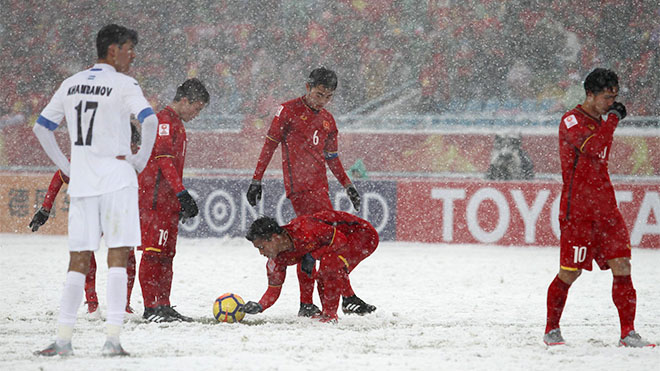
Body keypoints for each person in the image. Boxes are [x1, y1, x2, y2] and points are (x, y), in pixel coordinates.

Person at [32, 24, 158, 357]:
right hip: (118, 178)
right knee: (118, 255)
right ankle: (112, 340)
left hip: (84, 182)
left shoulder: (70, 84)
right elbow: (149, 119)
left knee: (78, 259)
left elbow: (42, 127)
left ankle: (63, 339)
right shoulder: (123, 83)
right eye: (129, 48)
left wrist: (68, 166)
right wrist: (140, 160)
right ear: (113, 49)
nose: (132, 55)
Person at [544, 68, 655, 348]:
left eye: (615, 98)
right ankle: (551, 329)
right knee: (570, 272)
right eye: (607, 98)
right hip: (578, 211)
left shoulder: (601, 122)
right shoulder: (571, 121)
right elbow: (595, 148)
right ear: (590, 95)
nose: (611, 103)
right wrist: (615, 119)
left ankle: (628, 333)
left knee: (623, 265)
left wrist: (610, 120)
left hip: (606, 209)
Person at [246, 67, 369, 317]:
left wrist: (348, 186)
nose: (321, 100)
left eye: (327, 96)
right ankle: (341, 297)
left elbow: (332, 158)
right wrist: (256, 179)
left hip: (320, 188)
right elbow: (269, 146)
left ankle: (315, 302)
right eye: (318, 94)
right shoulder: (287, 111)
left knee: (315, 244)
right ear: (307, 87)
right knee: (321, 241)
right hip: (300, 188)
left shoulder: (328, 121)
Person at [29, 122, 142, 315]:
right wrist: (45, 208)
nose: (134, 150)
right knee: (85, 253)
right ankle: (92, 304)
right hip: (91, 209)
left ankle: (124, 305)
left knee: (127, 255)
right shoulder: (90, 153)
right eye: (132, 145)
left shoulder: (135, 157)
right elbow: (60, 176)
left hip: (117, 211)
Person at [137, 78, 209, 323]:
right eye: (197, 108)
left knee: (167, 254)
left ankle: (164, 305)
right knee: (153, 252)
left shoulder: (177, 123)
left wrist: (177, 199)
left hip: (168, 202)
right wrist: (182, 193)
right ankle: (150, 308)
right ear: (185, 100)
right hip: (156, 199)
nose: (197, 114)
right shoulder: (164, 121)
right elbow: (163, 161)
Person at [243, 209, 379, 323]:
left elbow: (340, 239)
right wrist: (260, 306)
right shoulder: (276, 260)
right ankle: (335, 304)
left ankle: (330, 315)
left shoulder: (305, 230)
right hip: (338, 243)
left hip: (362, 235)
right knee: (318, 267)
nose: (261, 253)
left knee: (328, 265)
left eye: (261, 247)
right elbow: (273, 289)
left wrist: (313, 255)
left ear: (274, 238)